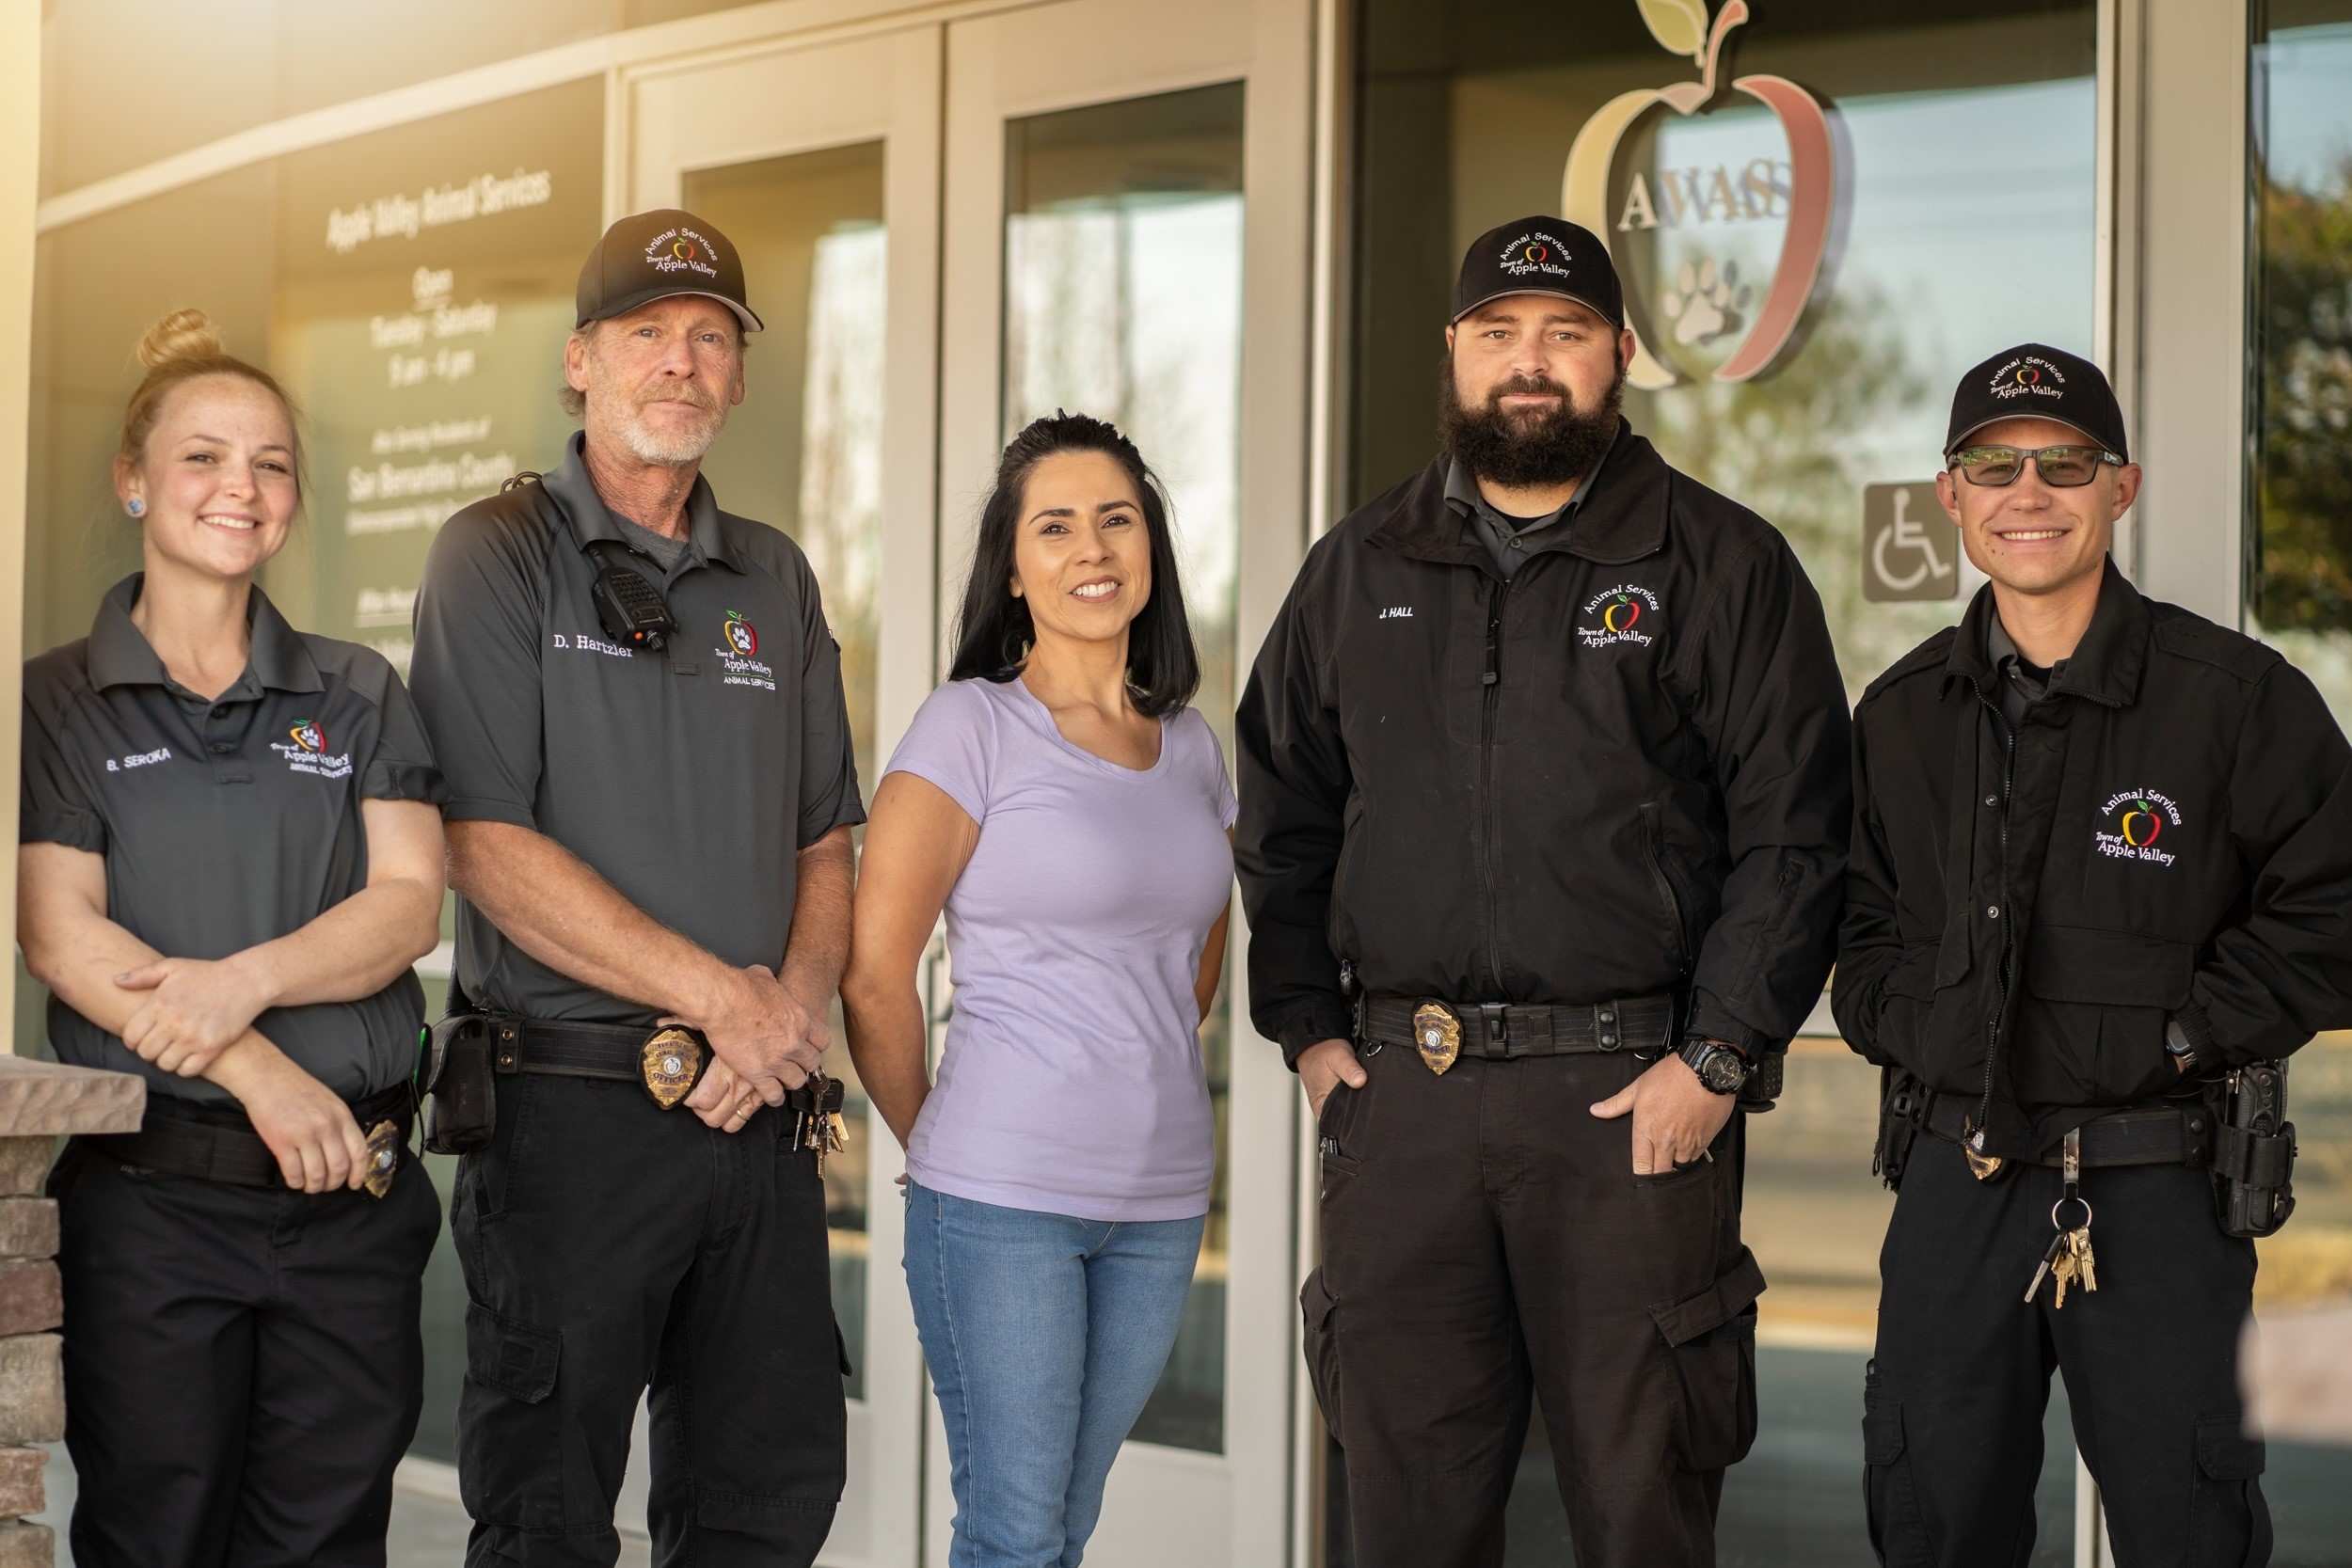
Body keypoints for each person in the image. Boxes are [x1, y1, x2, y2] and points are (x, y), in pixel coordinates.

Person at [1235, 214, 1851, 1568]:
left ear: (1619, 355)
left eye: (1564, 333)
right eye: (1500, 334)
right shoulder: (1359, 569)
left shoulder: (1719, 564)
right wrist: (1314, 1034)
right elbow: (1281, 810)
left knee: (1640, 1514)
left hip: (1632, 1108)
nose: (1532, 363)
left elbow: (1796, 836)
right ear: (1454, 355)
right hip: (1404, 1107)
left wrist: (1719, 1054)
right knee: (1406, 1516)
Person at [1836, 343, 2352, 1567]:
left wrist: (2183, 1033)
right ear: (1950, 494)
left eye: (2064, 462)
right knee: (1934, 1525)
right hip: (1954, 1188)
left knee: (2189, 1529)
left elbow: (2334, 909)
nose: (2030, 490)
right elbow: (1852, 933)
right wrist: (1928, 1028)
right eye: (1994, 464)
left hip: (2158, 1188)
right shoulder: (1898, 716)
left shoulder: (2236, 698)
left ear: (2120, 486)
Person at [407, 209, 863, 1567]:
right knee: (547, 1517)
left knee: (762, 1510)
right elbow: (482, 838)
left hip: (756, 1119)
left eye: (710, 336)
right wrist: (727, 998)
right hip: (569, 1118)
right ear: (581, 362)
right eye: (648, 332)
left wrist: (786, 1012)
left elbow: (825, 840)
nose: (682, 361)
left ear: (736, 374)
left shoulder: (773, 575)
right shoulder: (495, 552)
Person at [16, 309, 448, 1568]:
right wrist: (256, 1065)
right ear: (135, 479)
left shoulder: (357, 689)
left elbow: (409, 898)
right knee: (154, 1538)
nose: (240, 487)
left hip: (351, 1205)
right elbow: (59, 930)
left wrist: (239, 982)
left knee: (326, 1543)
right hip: (153, 1207)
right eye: (204, 455)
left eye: (270, 463)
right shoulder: (55, 696)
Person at [842, 412, 1232, 1568]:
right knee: (1014, 1533)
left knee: (1065, 1523)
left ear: (1150, 549)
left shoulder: (1194, 745)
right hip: (1000, 1197)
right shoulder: (973, 726)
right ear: (1012, 568)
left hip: (1159, 1203)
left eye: (1116, 518)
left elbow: (1196, 951)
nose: (1090, 547)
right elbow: (873, 975)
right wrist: (946, 1145)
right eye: (1053, 526)